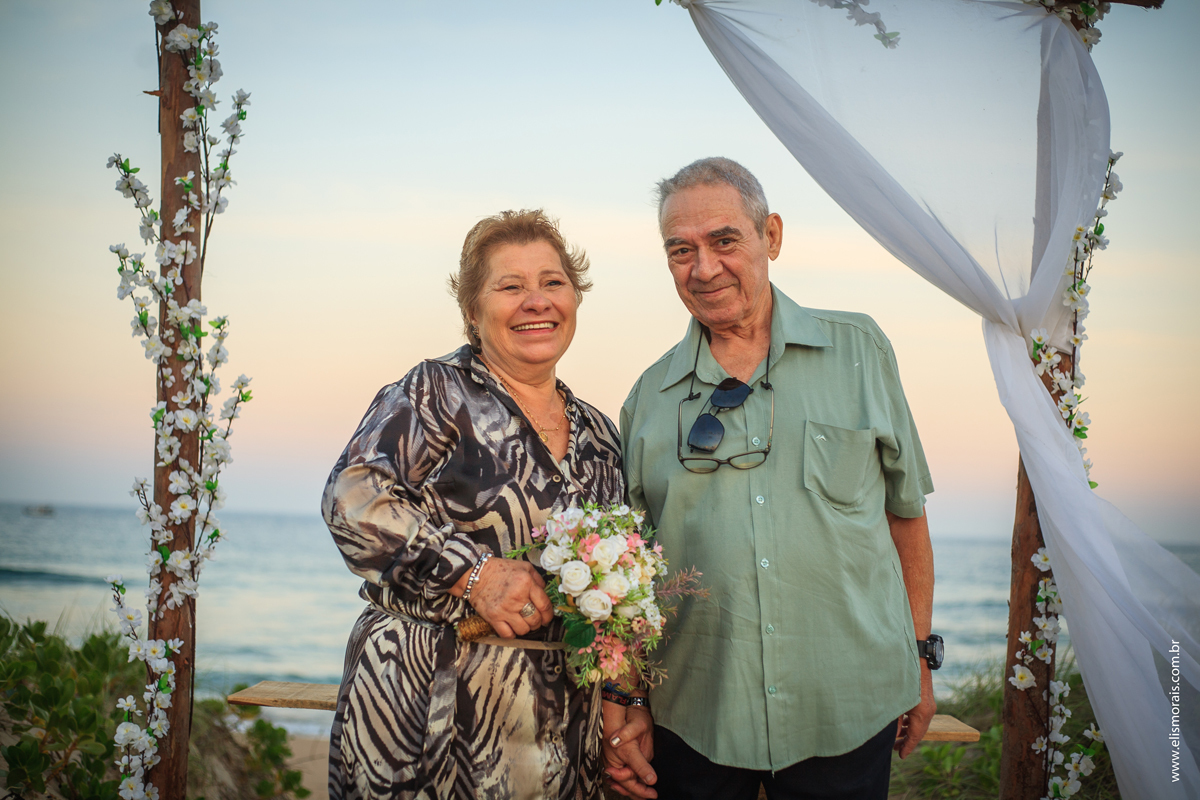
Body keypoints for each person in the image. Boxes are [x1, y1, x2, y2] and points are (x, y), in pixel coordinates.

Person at [605, 158, 939, 800]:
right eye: (681, 250)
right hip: (696, 716)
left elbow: (906, 515)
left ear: (772, 237)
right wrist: (626, 695)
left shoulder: (860, 351)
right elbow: (630, 575)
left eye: (724, 240)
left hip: (848, 704)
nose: (703, 268)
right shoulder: (647, 399)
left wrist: (920, 657)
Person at [322, 209, 625, 799]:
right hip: (425, 716)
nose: (536, 301)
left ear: (576, 298)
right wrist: (474, 574)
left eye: (553, 282)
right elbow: (351, 498)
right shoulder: (435, 392)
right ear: (473, 310)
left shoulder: (602, 435)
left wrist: (625, 697)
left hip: (560, 735)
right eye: (510, 286)